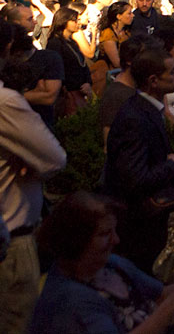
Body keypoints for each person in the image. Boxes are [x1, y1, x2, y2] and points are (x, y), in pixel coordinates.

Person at [27, 191, 174, 334]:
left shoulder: (112, 265)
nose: (116, 240)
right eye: (105, 234)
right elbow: (170, 301)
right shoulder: (70, 299)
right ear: (76, 240)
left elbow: (162, 294)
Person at [0, 18, 67, 334]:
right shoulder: (6, 103)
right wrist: (32, 159)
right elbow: (54, 158)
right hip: (11, 242)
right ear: (9, 47)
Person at [102, 47, 174, 271]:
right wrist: (172, 165)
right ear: (153, 81)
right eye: (172, 71)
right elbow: (135, 179)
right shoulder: (135, 118)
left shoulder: (146, 110)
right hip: (138, 228)